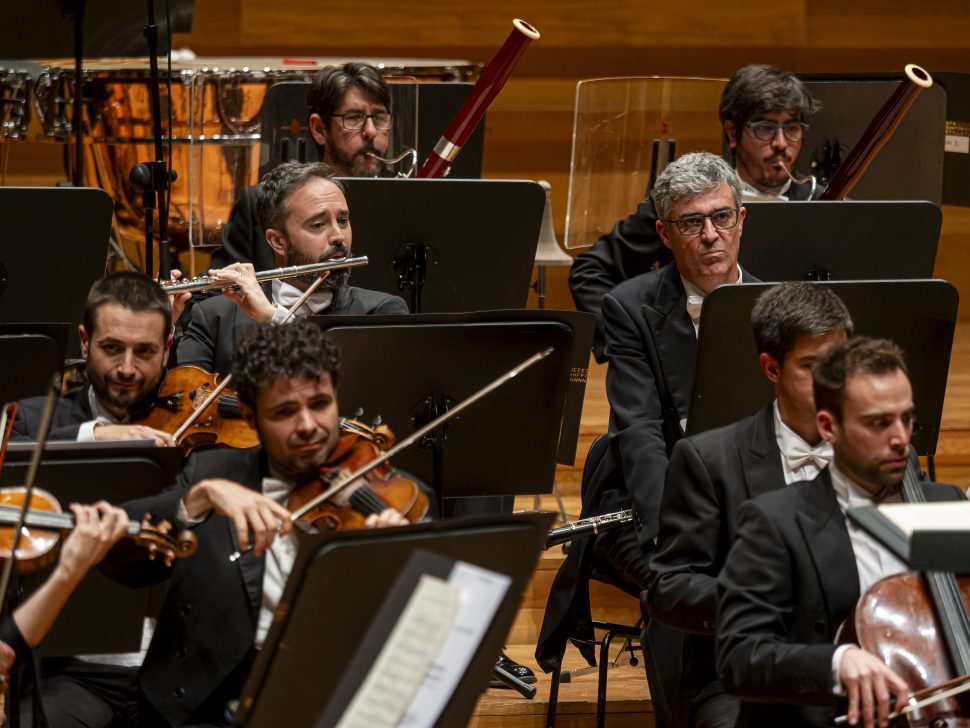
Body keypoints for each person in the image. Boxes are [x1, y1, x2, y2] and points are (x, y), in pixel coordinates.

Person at [74, 321, 413, 726]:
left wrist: (397, 573)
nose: (308, 425)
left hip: (332, 697)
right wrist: (196, 499)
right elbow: (114, 554)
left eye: (320, 404)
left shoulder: (391, 493)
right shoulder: (212, 471)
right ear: (251, 418)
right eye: (285, 412)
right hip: (209, 706)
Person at [716, 337, 965, 727]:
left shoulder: (944, 505)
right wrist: (837, 661)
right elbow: (740, 656)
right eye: (879, 423)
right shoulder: (777, 521)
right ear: (829, 426)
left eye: (906, 418)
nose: (901, 438)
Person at [645, 282, 852, 727]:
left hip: (858, 668)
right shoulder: (709, 461)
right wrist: (764, 600)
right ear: (771, 368)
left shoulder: (884, 454)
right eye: (812, 367)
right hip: (741, 676)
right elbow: (671, 587)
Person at [569, 64, 821, 359]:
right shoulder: (685, 201)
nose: (781, 144)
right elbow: (591, 272)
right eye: (765, 127)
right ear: (732, 132)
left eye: (791, 128)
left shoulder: (826, 206)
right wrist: (632, 343)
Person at [177, 161, 408, 378]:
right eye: (318, 225)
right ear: (277, 241)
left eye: (343, 221)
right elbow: (181, 402)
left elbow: (353, 383)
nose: (338, 236)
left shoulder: (381, 312)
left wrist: (273, 318)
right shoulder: (214, 317)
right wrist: (162, 327)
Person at [211, 62, 393, 272]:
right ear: (319, 129)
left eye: (379, 118)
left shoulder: (406, 203)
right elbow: (218, 294)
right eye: (353, 118)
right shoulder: (257, 206)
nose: (370, 131)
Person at [11, 272, 179, 446]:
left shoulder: (186, 432)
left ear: (166, 351)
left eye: (144, 351)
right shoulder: (24, 421)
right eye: (112, 348)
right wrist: (95, 435)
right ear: (85, 342)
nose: (127, 369)